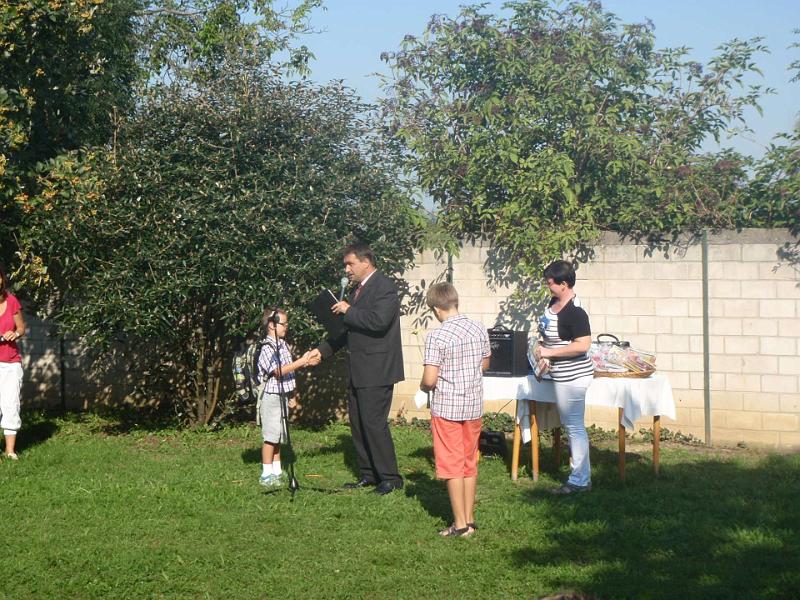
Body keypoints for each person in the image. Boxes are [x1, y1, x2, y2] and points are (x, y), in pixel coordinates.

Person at [308, 243, 405, 495]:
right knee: (358, 423)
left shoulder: (384, 286)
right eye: (345, 265)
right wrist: (323, 350)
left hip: (377, 369)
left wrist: (349, 310)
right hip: (358, 368)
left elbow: (378, 322)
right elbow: (347, 330)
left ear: (366, 262)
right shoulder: (357, 291)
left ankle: (390, 478)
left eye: (350, 264)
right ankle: (368, 474)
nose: (347, 269)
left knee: (373, 422)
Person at [420, 282, 490, 537]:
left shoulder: (436, 336)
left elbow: (430, 380)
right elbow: (485, 364)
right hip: (473, 405)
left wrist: (422, 387)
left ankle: (459, 525)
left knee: (451, 464)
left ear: (436, 309)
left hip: (447, 407)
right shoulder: (478, 328)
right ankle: (470, 519)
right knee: (469, 461)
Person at [532, 260, 594, 494]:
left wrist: (549, 353)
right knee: (570, 425)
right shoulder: (554, 303)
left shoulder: (576, 312)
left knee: (574, 426)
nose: (548, 286)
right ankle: (580, 477)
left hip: (574, 376)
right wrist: (541, 348)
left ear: (564, 284)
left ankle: (580, 481)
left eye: (550, 283)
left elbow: (582, 345)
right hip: (559, 375)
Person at [257, 308, 316, 487]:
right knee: (270, 436)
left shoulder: (283, 345)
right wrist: (302, 361)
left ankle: (277, 470)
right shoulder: (267, 348)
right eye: (283, 323)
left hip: (282, 395)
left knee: (279, 434)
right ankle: (266, 474)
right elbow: (278, 372)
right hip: (271, 397)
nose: (286, 327)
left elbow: (289, 373)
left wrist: (292, 394)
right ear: (272, 325)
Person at [0, 265, 25, 460]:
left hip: (10, 363)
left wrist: (14, 334)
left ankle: (10, 451)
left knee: (10, 404)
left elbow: (21, 328)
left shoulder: (12, 301)